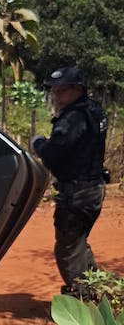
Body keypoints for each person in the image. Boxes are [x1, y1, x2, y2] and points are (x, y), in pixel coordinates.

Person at [31, 66, 108, 294]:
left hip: (77, 193)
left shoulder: (73, 118)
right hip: (94, 188)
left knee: (67, 247)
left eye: (62, 91)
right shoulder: (94, 110)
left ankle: (81, 299)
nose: (56, 96)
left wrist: (39, 143)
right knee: (78, 242)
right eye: (54, 91)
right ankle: (96, 288)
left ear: (78, 89)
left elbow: (53, 155)